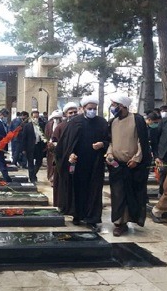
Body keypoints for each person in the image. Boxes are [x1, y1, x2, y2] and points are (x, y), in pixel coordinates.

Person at [55, 97, 108, 230]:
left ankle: (92, 218)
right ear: (83, 108)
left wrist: (103, 144)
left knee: (94, 191)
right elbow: (66, 143)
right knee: (78, 189)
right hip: (78, 163)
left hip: (95, 163)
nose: (92, 111)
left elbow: (109, 140)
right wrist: (70, 154)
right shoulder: (75, 122)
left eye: (94, 109)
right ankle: (77, 215)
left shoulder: (102, 122)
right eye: (89, 108)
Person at [105, 93, 151, 236]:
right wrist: (109, 154)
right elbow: (111, 142)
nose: (112, 107)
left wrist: (137, 158)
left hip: (133, 166)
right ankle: (119, 223)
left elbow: (142, 141)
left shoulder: (137, 120)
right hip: (117, 166)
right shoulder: (113, 122)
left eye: (114, 105)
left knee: (132, 195)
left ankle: (128, 220)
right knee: (118, 194)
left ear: (122, 106)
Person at [21, 110, 47, 183]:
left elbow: (44, 135)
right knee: (30, 163)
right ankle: (32, 178)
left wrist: (45, 146)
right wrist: (23, 148)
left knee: (39, 162)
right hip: (30, 147)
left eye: (37, 117)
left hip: (39, 146)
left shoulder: (42, 125)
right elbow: (24, 138)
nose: (35, 118)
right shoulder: (27, 126)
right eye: (34, 117)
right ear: (31, 117)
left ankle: (33, 174)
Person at [44, 110, 63, 183]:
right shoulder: (49, 125)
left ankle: (56, 178)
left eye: (58, 118)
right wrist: (48, 143)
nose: (56, 119)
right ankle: (50, 176)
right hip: (50, 148)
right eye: (55, 118)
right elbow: (46, 135)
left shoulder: (63, 125)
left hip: (60, 147)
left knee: (57, 163)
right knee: (50, 163)